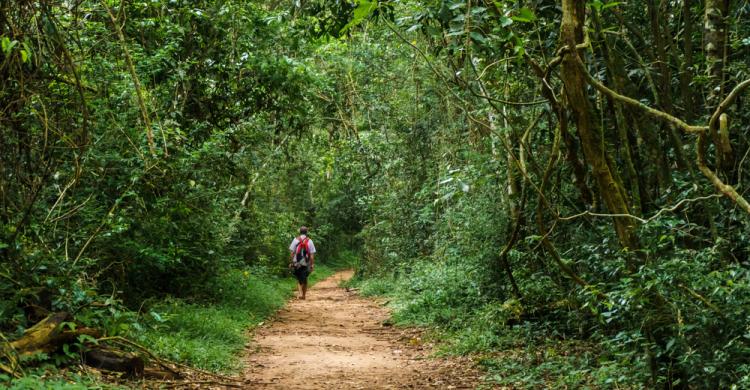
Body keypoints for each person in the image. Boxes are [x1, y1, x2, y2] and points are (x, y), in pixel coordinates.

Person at [289, 226, 316, 300]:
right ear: (306, 232)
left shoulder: (295, 240)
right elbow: (312, 255)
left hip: (296, 262)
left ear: (299, 232)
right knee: (305, 278)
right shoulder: (310, 241)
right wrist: (312, 264)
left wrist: (291, 262)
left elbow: (292, 253)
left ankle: (300, 293)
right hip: (306, 263)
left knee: (299, 278)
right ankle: (303, 295)